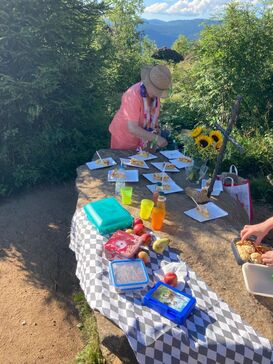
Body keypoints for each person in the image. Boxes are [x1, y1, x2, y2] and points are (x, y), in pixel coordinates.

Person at [109, 64, 172, 150]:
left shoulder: (156, 97)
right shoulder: (132, 94)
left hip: (141, 140)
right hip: (123, 137)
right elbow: (132, 128)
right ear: (148, 84)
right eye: (156, 90)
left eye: (160, 91)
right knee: (123, 162)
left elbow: (152, 120)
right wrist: (156, 139)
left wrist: (157, 132)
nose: (158, 94)